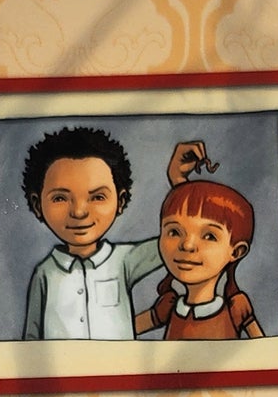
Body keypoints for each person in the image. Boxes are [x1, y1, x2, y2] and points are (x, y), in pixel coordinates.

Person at [17, 129, 212, 341]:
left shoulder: (123, 260)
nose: (79, 212)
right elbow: (31, 339)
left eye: (98, 197)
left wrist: (179, 183)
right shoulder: (44, 273)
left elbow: (173, 244)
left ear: (120, 201)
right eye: (60, 198)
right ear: (37, 205)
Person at [135, 178, 267, 340]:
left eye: (209, 236)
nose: (187, 245)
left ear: (236, 251)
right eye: (174, 232)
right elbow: (119, 331)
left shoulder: (236, 309)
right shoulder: (167, 307)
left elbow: (266, 348)